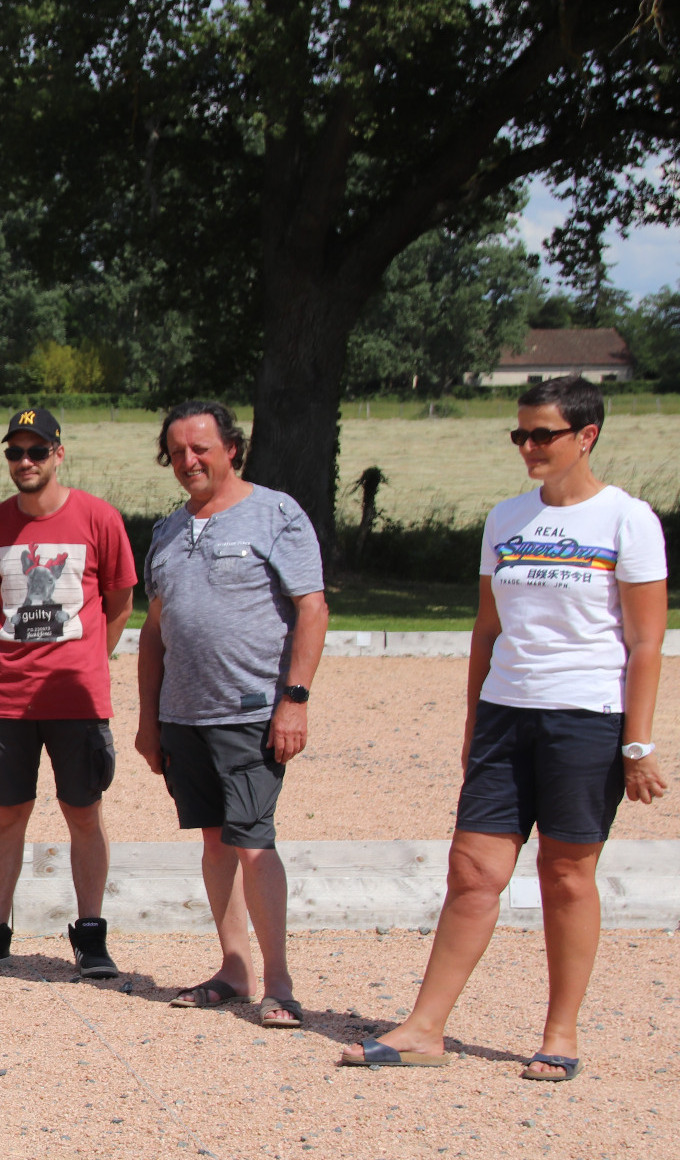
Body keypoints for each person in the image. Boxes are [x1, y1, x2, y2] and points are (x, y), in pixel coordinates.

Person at [344, 376, 667, 1077]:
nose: (528, 446)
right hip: (504, 714)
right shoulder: (506, 519)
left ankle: (561, 1033)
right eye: (520, 434)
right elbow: (487, 630)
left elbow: (647, 641)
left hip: (586, 717)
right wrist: (473, 723)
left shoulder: (627, 519)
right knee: (472, 871)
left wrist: (638, 743)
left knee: (566, 874)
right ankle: (425, 1029)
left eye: (542, 434)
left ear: (587, 435)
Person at [134, 400, 326, 1029]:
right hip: (184, 717)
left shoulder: (276, 514)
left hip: (250, 711)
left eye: (200, 448)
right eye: (177, 452)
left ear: (231, 449)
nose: (188, 461)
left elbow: (312, 607)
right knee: (215, 842)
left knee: (252, 842)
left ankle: (281, 985)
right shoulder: (167, 530)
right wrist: (149, 719)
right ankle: (235, 968)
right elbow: (154, 631)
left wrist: (294, 700)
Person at [0, 407, 136, 980]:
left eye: (37, 451)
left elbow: (121, 603)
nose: (25, 461)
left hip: (76, 697)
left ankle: (90, 936)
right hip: (8, 695)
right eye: (15, 452)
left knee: (83, 813)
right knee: (8, 813)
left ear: (58, 454)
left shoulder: (99, 517)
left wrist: (89, 661)